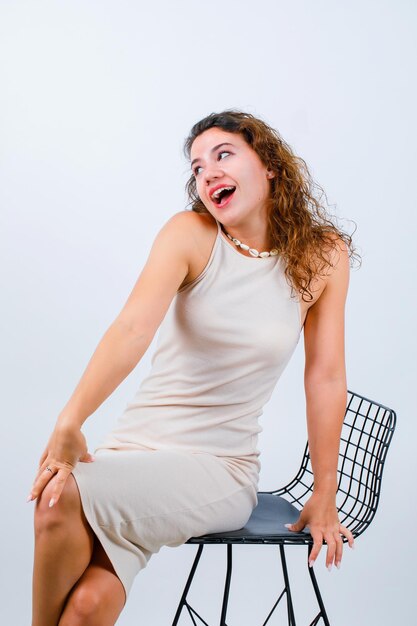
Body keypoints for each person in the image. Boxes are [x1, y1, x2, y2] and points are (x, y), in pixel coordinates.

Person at [28, 109, 357, 626]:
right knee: (89, 604)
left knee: (58, 498)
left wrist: (325, 494)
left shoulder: (323, 255)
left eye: (223, 155)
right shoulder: (189, 234)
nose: (208, 175)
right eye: (198, 168)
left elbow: (326, 378)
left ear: (270, 165)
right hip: (137, 448)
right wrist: (71, 419)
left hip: (220, 467)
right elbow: (131, 329)